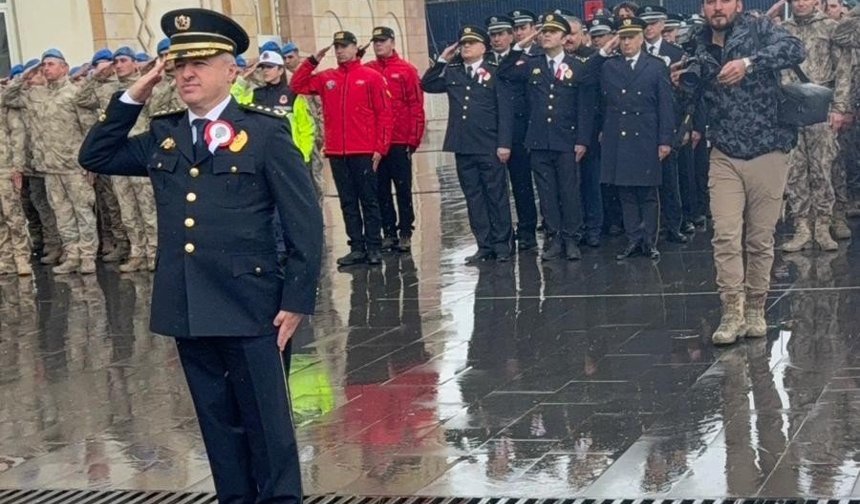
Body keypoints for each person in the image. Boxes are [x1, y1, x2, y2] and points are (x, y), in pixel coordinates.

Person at [78, 9, 322, 503]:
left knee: (268, 432)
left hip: (254, 308)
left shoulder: (266, 134)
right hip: (190, 307)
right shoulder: (165, 135)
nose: (186, 73)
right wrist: (137, 91)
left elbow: (305, 222)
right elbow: (95, 156)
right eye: (177, 64)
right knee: (219, 431)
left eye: (201, 63)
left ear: (232, 70)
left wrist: (296, 300)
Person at [671, 0, 805, 345]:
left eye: (724, 1)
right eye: (710, 2)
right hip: (724, 150)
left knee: (760, 238)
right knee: (726, 234)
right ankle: (731, 310)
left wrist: (749, 63)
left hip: (768, 146)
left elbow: (794, 48)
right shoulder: (695, 39)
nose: (717, 8)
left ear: (738, 5)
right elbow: (691, 91)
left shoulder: (758, 27)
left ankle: (756, 308)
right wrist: (679, 83)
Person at [291, 30, 393, 267]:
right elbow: (298, 85)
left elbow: (384, 114)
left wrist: (381, 147)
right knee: (347, 201)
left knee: (369, 200)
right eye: (337, 47)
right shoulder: (328, 77)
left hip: (364, 150)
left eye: (345, 46)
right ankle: (356, 247)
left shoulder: (371, 76)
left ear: (355, 48)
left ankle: (374, 247)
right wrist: (312, 61)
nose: (340, 51)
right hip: (337, 151)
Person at [499, 14, 596, 261]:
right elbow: (505, 71)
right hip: (539, 140)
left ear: (564, 38)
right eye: (544, 32)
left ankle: (572, 238)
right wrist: (523, 42)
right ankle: (554, 237)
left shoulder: (577, 66)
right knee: (547, 192)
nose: (546, 35)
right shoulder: (532, 64)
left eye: (553, 32)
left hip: (567, 139)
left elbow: (584, 107)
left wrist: (582, 140)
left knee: (569, 191)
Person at [421, 25, 514, 263]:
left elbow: (505, 111)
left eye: (471, 43)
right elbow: (428, 84)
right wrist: (442, 59)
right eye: (463, 43)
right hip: (463, 145)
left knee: (496, 195)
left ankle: (503, 244)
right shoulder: (453, 72)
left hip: (489, 144)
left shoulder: (495, 71)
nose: (466, 47)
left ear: (483, 47)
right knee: (473, 197)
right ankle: (484, 244)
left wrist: (504, 144)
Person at [5, 49, 98, 275]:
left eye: (51, 64)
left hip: (74, 167)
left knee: (83, 212)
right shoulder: (36, 95)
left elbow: (88, 130)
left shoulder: (75, 94)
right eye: (43, 65)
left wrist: (90, 164)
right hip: (50, 168)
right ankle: (72, 254)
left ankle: (87, 256)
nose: (46, 69)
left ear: (64, 68)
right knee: (62, 214)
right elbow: (7, 97)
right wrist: (25, 75)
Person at [780, 0, 853, 252]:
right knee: (795, 169)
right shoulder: (782, 30)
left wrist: (840, 107)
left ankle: (823, 224)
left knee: (823, 167)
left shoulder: (831, 28)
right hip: (790, 105)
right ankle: (802, 225)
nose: (800, 3)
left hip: (821, 103)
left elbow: (843, 70)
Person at [600, 17, 675, 262]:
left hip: (645, 135)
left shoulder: (655, 66)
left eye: (631, 37)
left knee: (648, 192)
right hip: (619, 135)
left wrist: (665, 140)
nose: (626, 42)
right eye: (622, 38)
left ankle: (649, 241)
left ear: (642, 38)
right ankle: (633, 238)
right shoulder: (610, 66)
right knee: (626, 191)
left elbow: (665, 106)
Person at [365, 26, 425, 253]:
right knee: (380, 188)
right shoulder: (369, 69)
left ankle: (405, 231)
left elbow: (416, 106)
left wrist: (413, 139)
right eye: (375, 42)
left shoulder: (406, 70)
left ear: (392, 42)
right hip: (377, 141)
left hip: (400, 140)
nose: (378, 45)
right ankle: (388, 231)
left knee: (402, 187)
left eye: (382, 41)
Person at [639, 5, 690, 244]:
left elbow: (690, 93)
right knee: (644, 180)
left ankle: (673, 225)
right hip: (642, 124)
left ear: (662, 25)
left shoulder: (676, 53)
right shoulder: (633, 52)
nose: (649, 28)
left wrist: (689, 126)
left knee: (671, 179)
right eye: (645, 23)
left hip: (671, 121)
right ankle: (649, 227)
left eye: (653, 23)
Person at [488, 14, 539, 252]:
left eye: (501, 34)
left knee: (521, 183)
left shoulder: (524, 59)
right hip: (491, 131)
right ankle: (500, 231)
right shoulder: (485, 60)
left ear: (511, 36)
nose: (497, 39)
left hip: (519, 131)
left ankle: (527, 229)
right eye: (493, 35)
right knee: (495, 187)